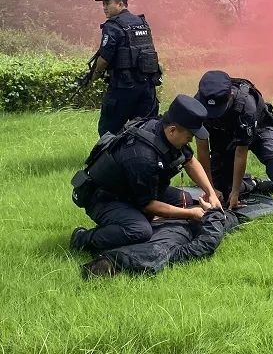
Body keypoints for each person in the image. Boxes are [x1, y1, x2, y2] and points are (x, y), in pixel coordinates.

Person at [69, 95, 222, 252]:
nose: (189, 142)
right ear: (172, 130)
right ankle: (82, 239)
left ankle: (137, 218)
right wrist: (190, 214)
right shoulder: (143, 156)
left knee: (186, 200)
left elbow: (189, 161)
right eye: (189, 137)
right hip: (104, 198)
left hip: (132, 188)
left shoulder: (164, 129)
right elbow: (148, 204)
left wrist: (211, 193)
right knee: (139, 231)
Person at [194, 71, 273, 227]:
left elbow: (240, 153)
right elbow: (202, 149)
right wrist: (211, 189)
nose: (213, 114)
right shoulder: (198, 106)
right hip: (224, 135)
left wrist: (236, 192)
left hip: (260, 129)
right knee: (222, 192)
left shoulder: (246, 105)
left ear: (230, 96)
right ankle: (255, 184)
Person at [80, 197, 238, 279]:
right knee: (230, 217)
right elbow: (206, 243)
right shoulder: (161, 254)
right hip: (181, 221)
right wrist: (214, 213)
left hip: (160, 219)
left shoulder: (155, 253)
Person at [90, 0, 161, 136]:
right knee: (146, 130)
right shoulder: (142, 22)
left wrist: (95, 74)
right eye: (103, 4)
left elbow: (104, 58)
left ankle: (112, 153)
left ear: (120, 3)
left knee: (109, 132)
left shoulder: (112, 25)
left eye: (107, 3)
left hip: (123, 87)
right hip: (147, 86)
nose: (104, 7)